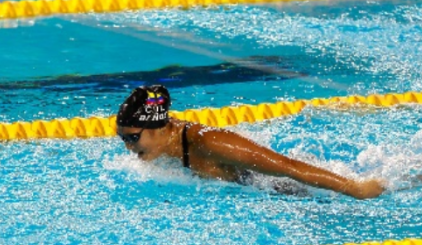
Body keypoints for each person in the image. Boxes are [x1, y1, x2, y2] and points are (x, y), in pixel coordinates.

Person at [114, 85, 385, 199]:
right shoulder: (162, 146)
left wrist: (356, 189)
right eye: (122, 137)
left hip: (294, 188)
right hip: (270, 191)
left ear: (159, 127)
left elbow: (287, 167)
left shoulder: (209, 142)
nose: (128, 146)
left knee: (386, 185)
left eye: (132, 138)